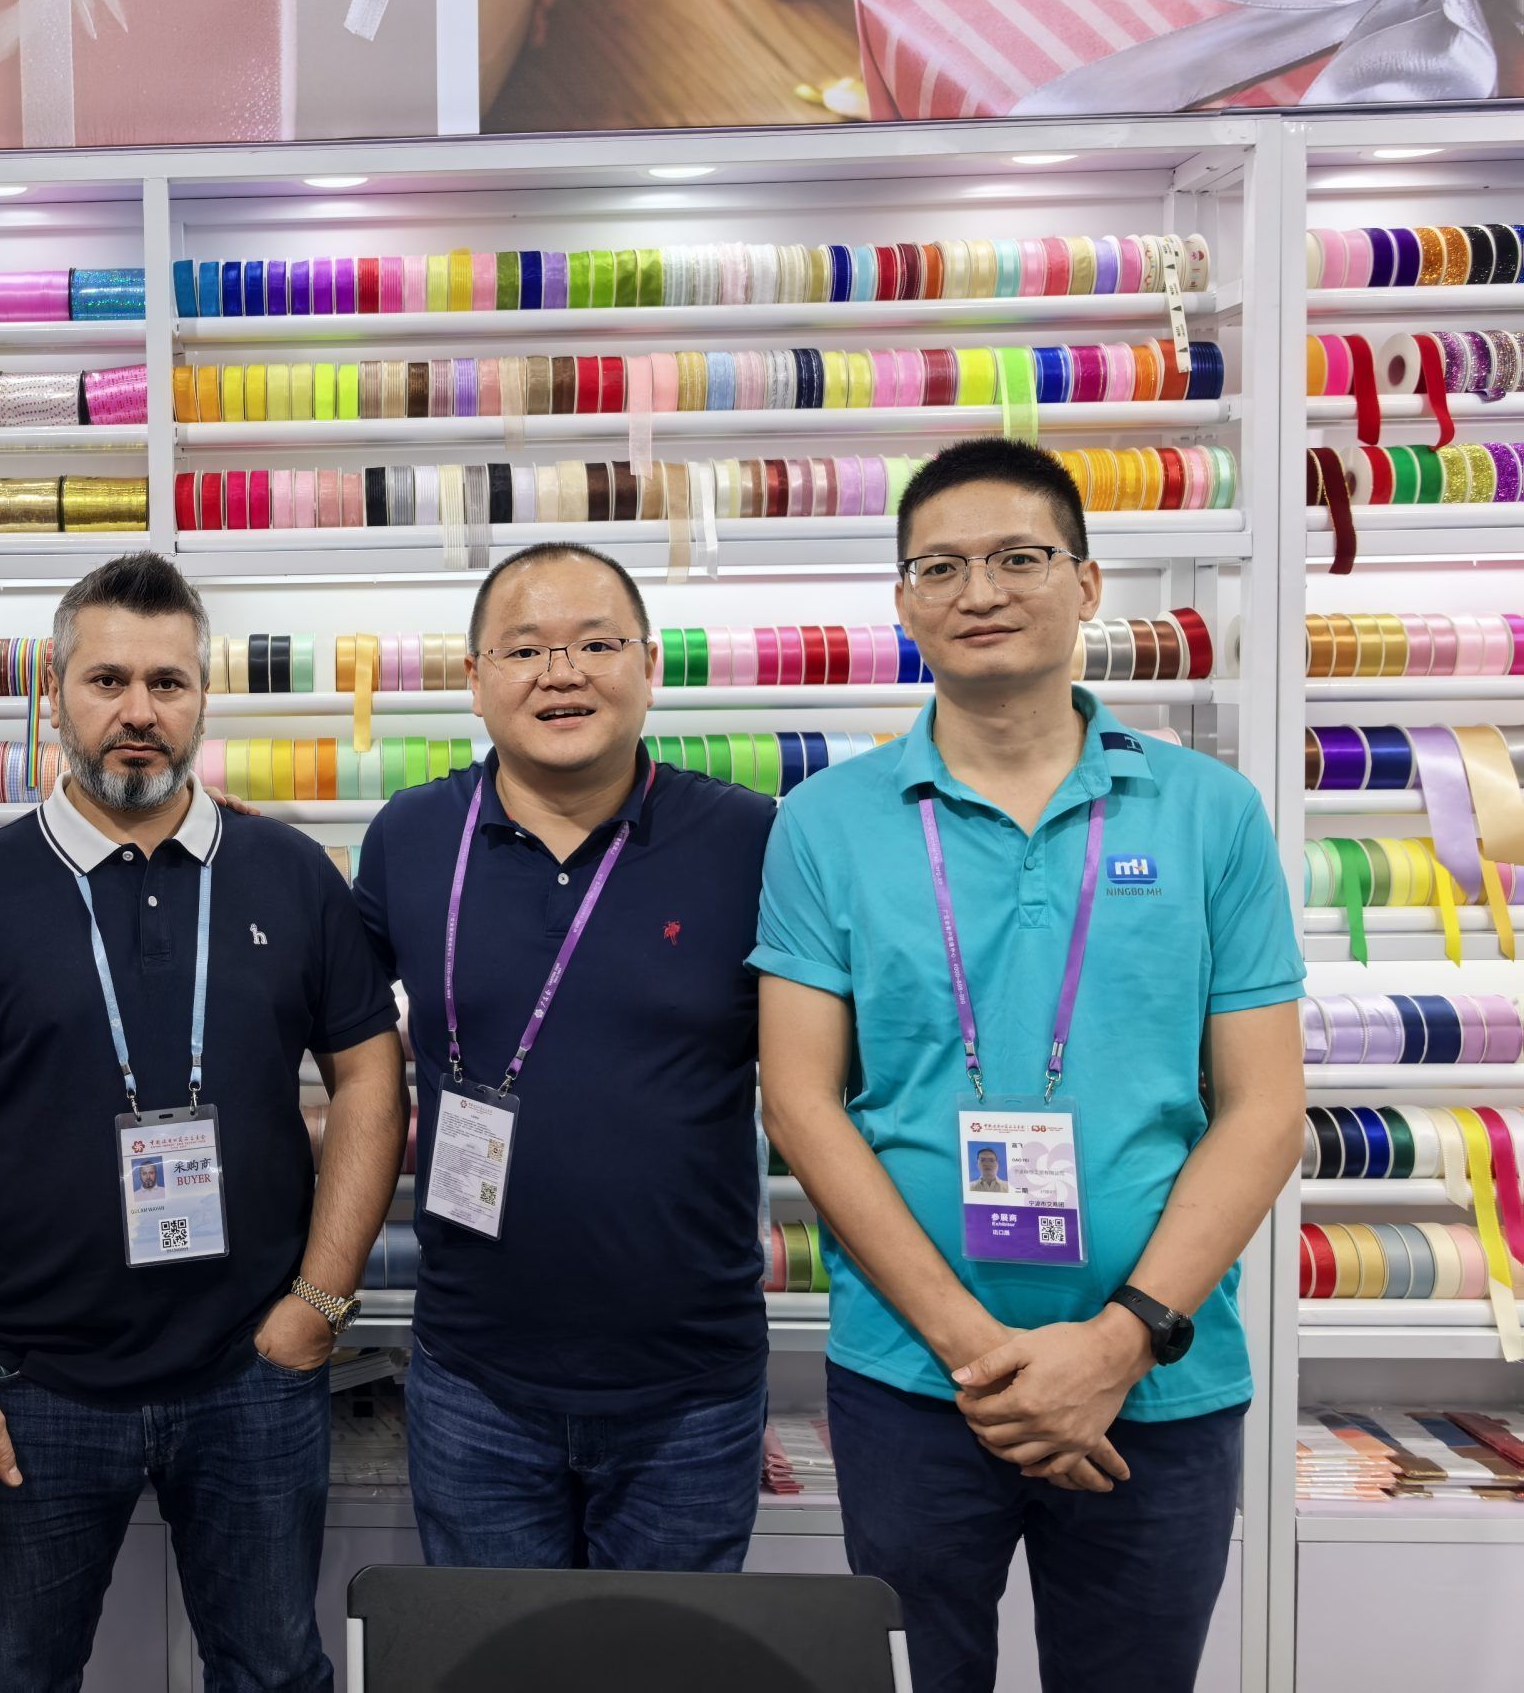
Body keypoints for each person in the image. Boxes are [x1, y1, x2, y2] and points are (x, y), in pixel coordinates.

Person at [752, 439, 1304, 1693]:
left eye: (1018, 558)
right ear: (903, 603)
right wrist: (980, 1357)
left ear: (1087, 583)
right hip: (914, 1381)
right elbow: (799, 1101)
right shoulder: (824, 822)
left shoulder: (1209, 811)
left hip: (1156, 1384)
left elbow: (1265, 1110)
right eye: (940, 567)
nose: (980, 591)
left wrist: (1116, 1343)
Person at [0, 551, 407, 1692]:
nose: (138, 712)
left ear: (204, 697)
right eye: (107, 680)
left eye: (168, 682)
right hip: (31, 1384)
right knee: (16, 1677)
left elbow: (369, 1078)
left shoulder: (291, 874)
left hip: (251, 1373)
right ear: (55, 693)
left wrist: (318, 1306)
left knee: (274, 1672)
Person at [353, 541, 774, 1572]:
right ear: (475, 678)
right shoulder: (410, 837)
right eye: (525, 649)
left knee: (674, 1643)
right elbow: (334, 1033)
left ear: (650, 666)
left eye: (596, 644)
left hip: (692, 1388)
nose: (561, 674)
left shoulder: (751, 840)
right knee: (490, 1650)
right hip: (473, 1378)